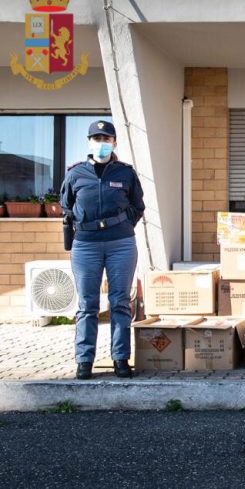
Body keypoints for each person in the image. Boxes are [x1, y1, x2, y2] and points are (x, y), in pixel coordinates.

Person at [60, 120, 145, 380]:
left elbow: (138, 206)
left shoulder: (125, 173)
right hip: (86, 245)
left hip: (121, 244)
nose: (102, 143)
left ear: (114, 142)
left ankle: (120, 359)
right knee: (87, 305)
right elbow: (66, 206)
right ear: (88, 143)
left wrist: (120, 225)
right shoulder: (75, 174)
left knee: (119, 301)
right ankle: (84, 360)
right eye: (97, 139)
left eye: (106, 139)